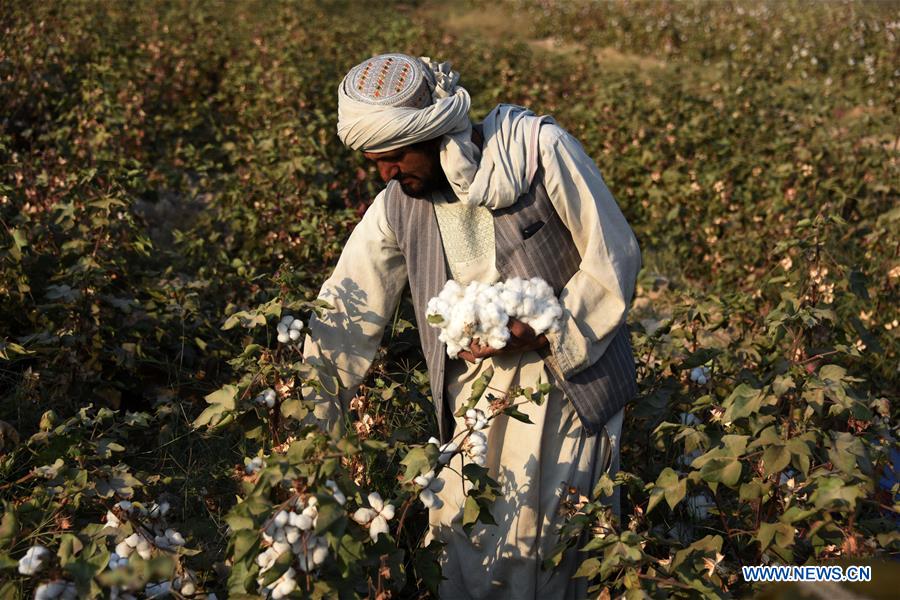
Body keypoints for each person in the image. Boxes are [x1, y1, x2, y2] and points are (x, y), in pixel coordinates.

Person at [302, 53, 641, 599]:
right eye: (375, 160)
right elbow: (345, 315)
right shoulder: (397, 207)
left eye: (394, 156)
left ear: (434, 132)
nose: (387, 173)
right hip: (474, 403)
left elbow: (613, 254)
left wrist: (545, 324)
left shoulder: (536, 150)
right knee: (467, 542)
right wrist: (313, 429)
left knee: (556, 550)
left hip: (568, 389)